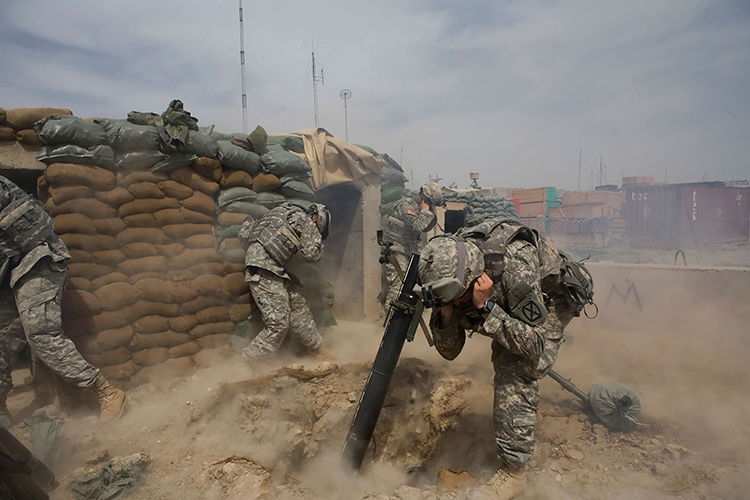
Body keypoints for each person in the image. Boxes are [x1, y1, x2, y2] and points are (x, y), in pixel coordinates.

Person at [418, 218, 594, 500]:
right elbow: (449, 351)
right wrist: (447, 310)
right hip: (497, 300)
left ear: (472, 279)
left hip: (554, 299)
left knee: (515, 365)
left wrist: (487, 308)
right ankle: (521, 414)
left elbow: (534, 344)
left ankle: (514, 472)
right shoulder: (447, 268)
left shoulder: (515, 269)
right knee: (505, 342)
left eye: (454, 297)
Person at [0, 175, 126, 425]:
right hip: (9, 270)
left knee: (42, 335)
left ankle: (105, 391)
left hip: (36, 260)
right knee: (3, 338)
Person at [238, 201, 331, 359]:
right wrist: (318, 242)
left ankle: (318, 349)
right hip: (265, 267)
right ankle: (246, 361)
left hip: (271, 267)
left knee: (299, 306)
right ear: (318, 220)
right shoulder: (307, 222)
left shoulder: (282, 211)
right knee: (278, 324)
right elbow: (311, 256)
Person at [380, 181, 444, 309]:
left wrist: (429, 211)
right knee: (399, 281)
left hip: (407, 250)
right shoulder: (406, 205)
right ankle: (390, 314)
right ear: (423, 196)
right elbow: (418, 226)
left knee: (410, 281)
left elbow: (426, 227)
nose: (431, 206)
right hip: (395, 250)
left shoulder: (417, 208)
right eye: (430, 202)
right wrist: (426, 209)